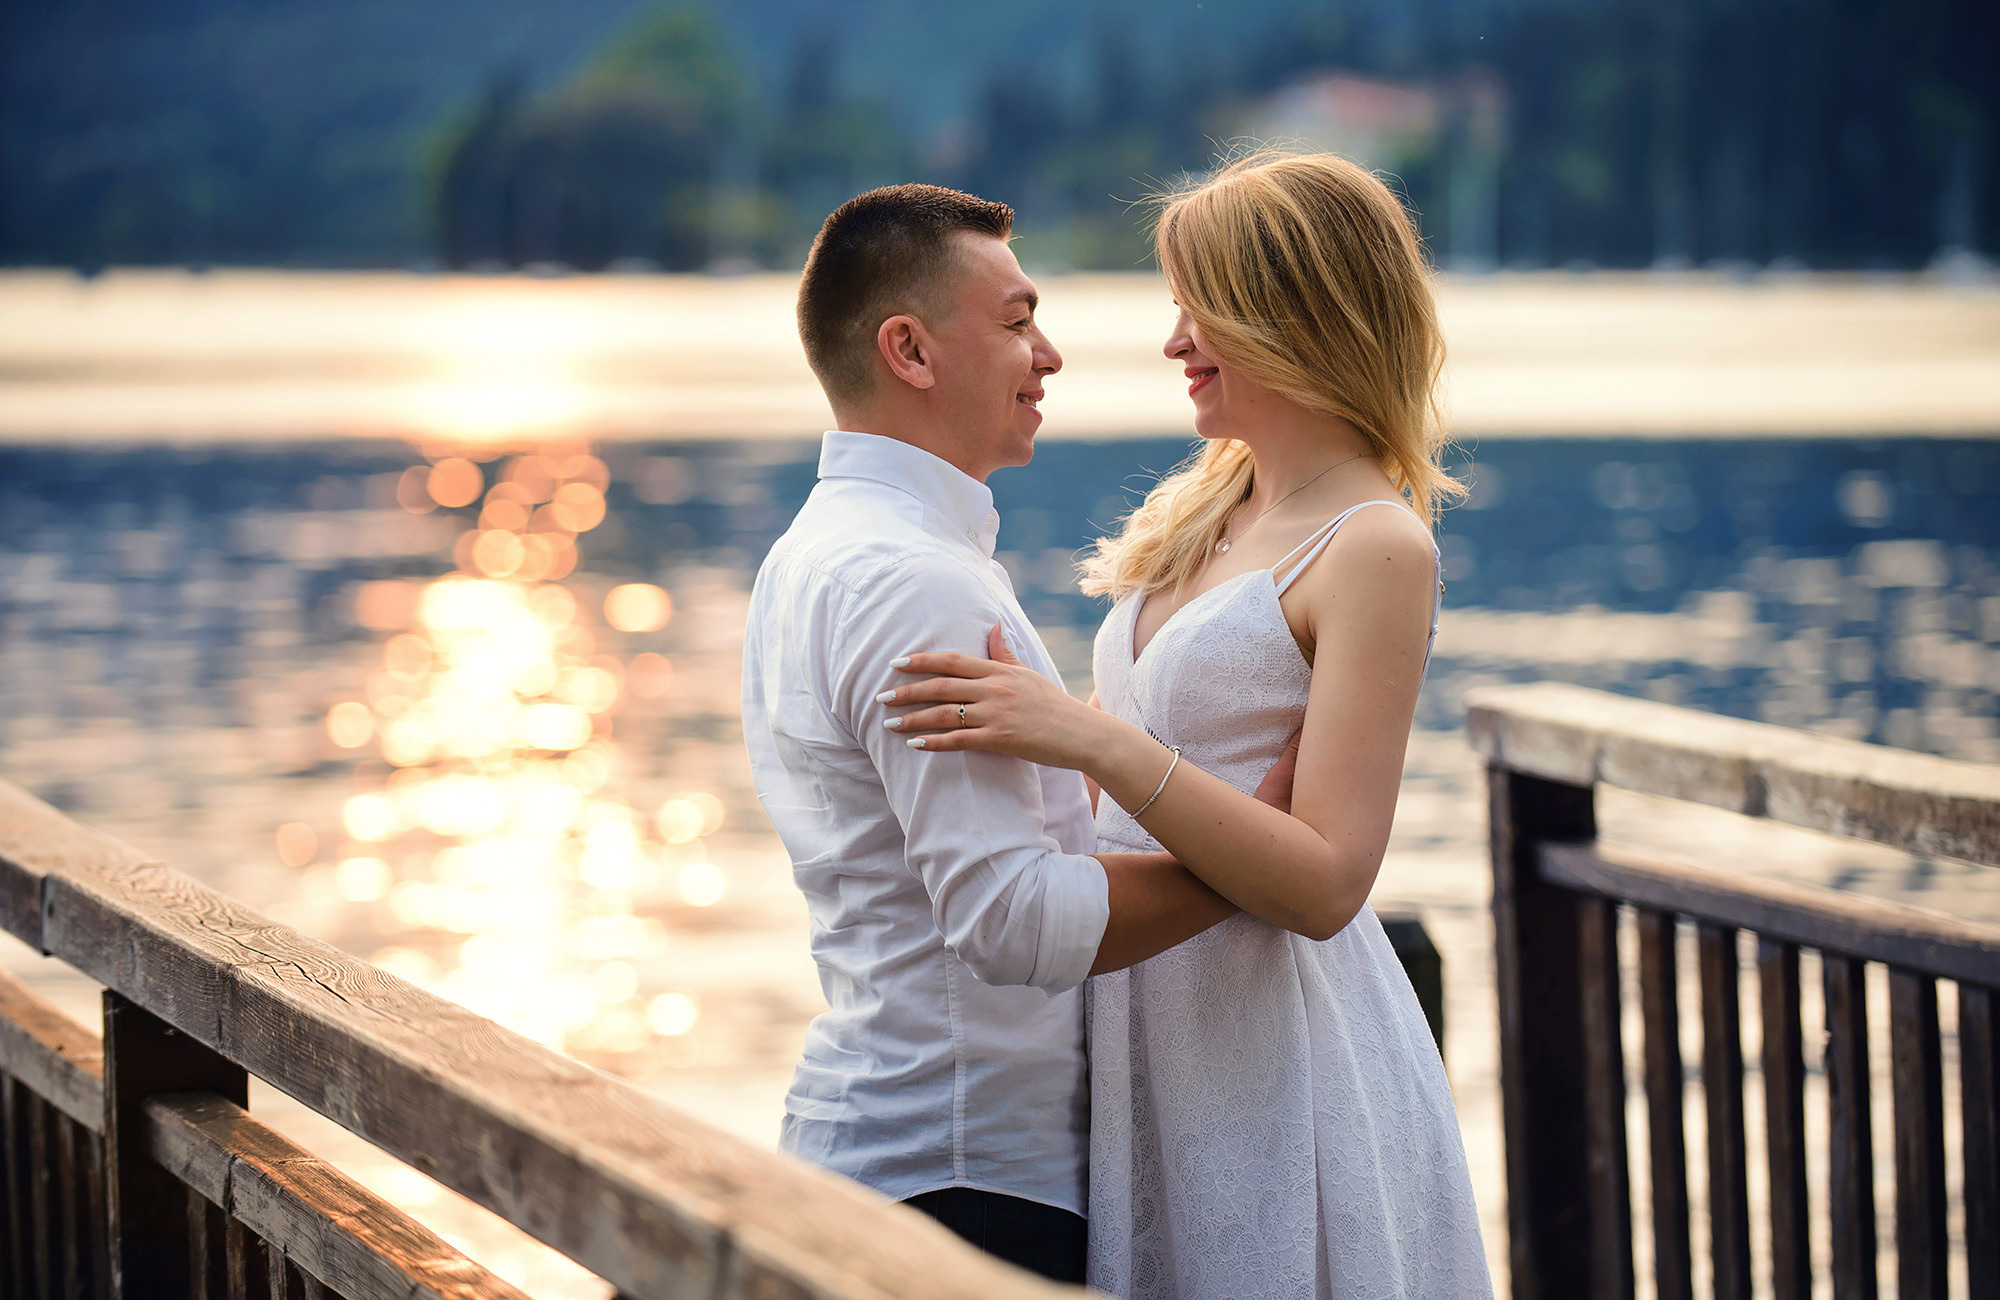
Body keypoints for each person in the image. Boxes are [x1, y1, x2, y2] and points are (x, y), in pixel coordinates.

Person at [881, 151, 1492, 1297]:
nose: (1174, 342)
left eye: (1199, 308)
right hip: (1144, 1032)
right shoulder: (1210, 503)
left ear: (1292, 309)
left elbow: (1326, 882)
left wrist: (1092, 738)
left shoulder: (1374, 545)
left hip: (1278, 1051)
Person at [740, 183, 1289, 1284]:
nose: (1047, 355)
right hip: (961, 1186)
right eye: (1015, 321)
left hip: (893, 1148)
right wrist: (1253, 861)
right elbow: (1010, 918)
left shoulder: (822, 551)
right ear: (909, 350)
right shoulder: (911, 581)